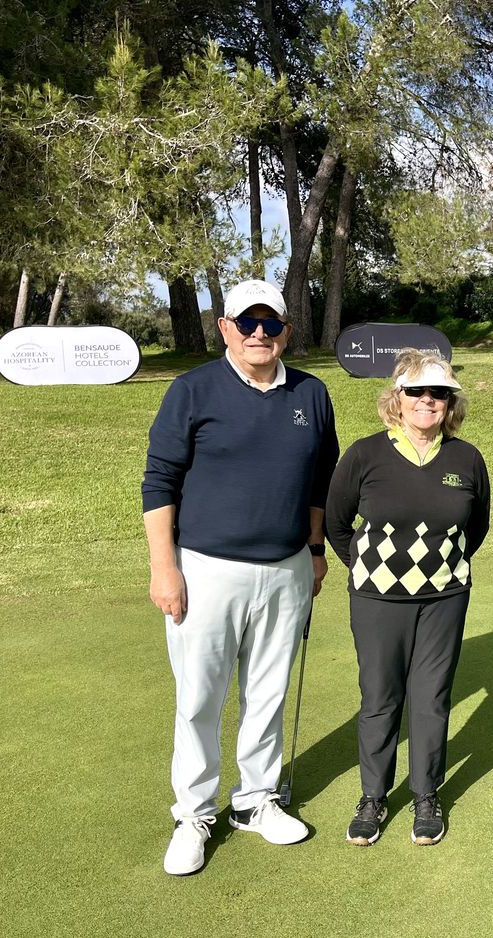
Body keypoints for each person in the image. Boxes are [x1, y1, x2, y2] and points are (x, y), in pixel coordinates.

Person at [143, 278, 339, 876]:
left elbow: (320, 480)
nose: (259, 333)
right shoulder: (192, 389)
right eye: (247, 322)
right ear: (224, 327)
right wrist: (164, 567)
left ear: (287, 331)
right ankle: (194, 814)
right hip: (206, 569)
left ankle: (254, 800)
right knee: (199, 698)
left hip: (286, 568)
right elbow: (159, 482)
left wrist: (314, 550)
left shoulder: (311, 393)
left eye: (271, 323)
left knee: (268, 692)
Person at [326, 349, 490, 847]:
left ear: (450, 402)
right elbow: (337, 522)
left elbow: (477, 526)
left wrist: (440, 570)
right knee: (380, 697)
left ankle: (425, 795)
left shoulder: (466, 458)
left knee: (431, 697)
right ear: (396, 397)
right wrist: (371, 570)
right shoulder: (365, 454)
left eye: (438, 392)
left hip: (444, 598)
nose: (427, 400)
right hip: (377, 600)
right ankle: (373, 797)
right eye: (416, 390)